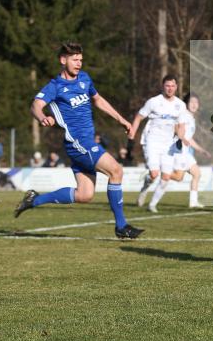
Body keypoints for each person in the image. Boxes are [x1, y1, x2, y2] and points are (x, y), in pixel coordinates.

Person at [13, 42, 143, 239]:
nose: (79, 63)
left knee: (85, 195)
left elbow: (98, 100)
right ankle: (121, 226)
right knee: (116, 170)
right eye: (75, 60)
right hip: (78, 142)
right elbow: (36, 105)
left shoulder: (84, 78)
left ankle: (34, 200)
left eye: (80, 60)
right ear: (63, 60)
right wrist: (42, 117)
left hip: (85, 143)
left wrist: (121, 120)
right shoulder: (55, 86)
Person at [128, 75, 187, 213]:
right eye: (167, 86)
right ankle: (144, 190)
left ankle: (152, 204)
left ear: (176, 87)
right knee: (154, 174)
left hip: (168, 144)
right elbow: (139, 117)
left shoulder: (180, 105)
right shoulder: (153, 102)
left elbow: (181, 125)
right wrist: (132, 132)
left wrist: (181, 138)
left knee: (166, 176)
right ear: (163, 86)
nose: (170, 88)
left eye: (172, 86)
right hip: (152, 141)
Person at [167, 93, 211, 208]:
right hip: (179, 150)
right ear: (186, 103)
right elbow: (176, 129)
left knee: (197, 173)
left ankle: (193, 203)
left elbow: (189, 138)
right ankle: (157, 172)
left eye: (196, 102)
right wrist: (181, 138)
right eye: (191, 102)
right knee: (178, 177)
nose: (194, 105)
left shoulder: (191, 118)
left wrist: (201, 150)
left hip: (186, 152)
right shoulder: (183, 115)